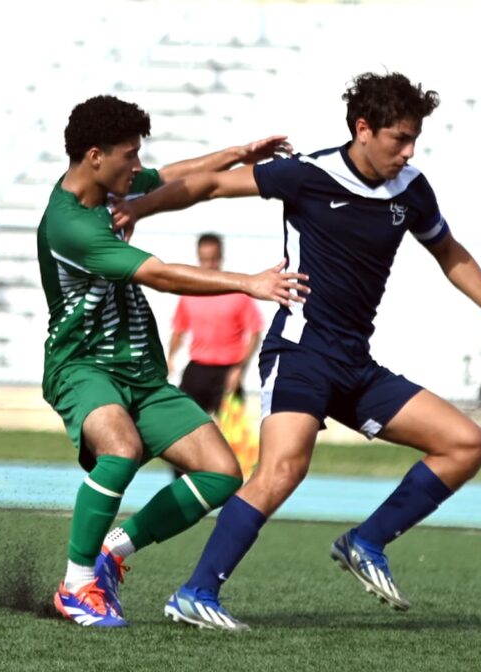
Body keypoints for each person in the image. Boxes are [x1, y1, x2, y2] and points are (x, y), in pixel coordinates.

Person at [114, 72, 481, 630]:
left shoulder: (410, 187)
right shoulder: (308, 175)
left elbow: (448, 250)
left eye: (414, 140)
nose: (408, 152)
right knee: (283, 468)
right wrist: (139, 210)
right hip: (301, 352)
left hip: (355, 365)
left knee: (464, 444)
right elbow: (212, 186)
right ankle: (196, 592)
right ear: (363, 128)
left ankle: (367, 541)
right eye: (399, 139)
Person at [38, 94, 308, 627]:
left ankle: (112, 553)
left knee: (221, 473)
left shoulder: (106, 189)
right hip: (83, 367)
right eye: (129, 156)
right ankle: (75, 587)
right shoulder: (70, 223)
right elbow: (159, 274)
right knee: (121, 447)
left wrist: (237, 153)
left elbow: (172, 179)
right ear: (95, 156)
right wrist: (247, 283)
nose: (138, 168)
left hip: (140, 370)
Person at [168, 232, 265, 415]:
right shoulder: (190, 291)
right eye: (205, 260)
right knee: (182, 423)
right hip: (197, 369)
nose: (209, 265)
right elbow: (179, 329)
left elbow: (255, 331)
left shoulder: (237, 292)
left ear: (221, 257)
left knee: (231, 435)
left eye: (213, 259)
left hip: (228, 371)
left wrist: (240, 368)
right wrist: (170, 357)